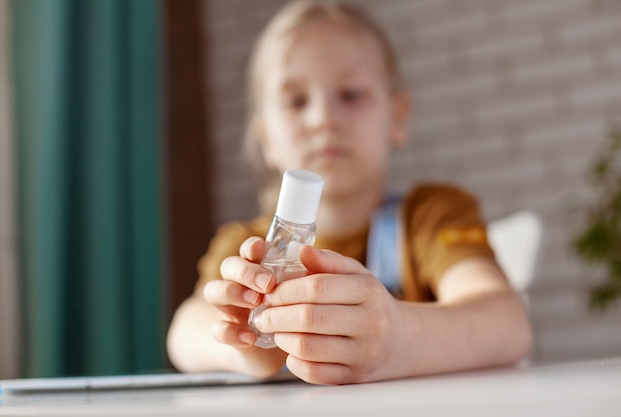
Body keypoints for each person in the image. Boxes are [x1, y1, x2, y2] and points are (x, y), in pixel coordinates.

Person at [166, 0, 532, 385]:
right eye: (296, 101)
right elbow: (182, 334)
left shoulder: (431, 216)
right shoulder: (244, 243)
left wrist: (400, 338)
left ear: (398, 116)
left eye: (351, 94)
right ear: (267, 140)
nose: (324, 118)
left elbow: (508, 324)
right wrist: (243, 345)